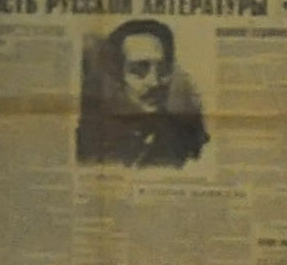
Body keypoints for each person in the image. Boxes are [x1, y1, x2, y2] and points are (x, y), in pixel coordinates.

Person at [74, 16, 208, 167]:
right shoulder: (89, 137)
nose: (154, 82)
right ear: (118, 77)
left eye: (163, 69)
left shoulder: (189, 137)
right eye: (139, 69)